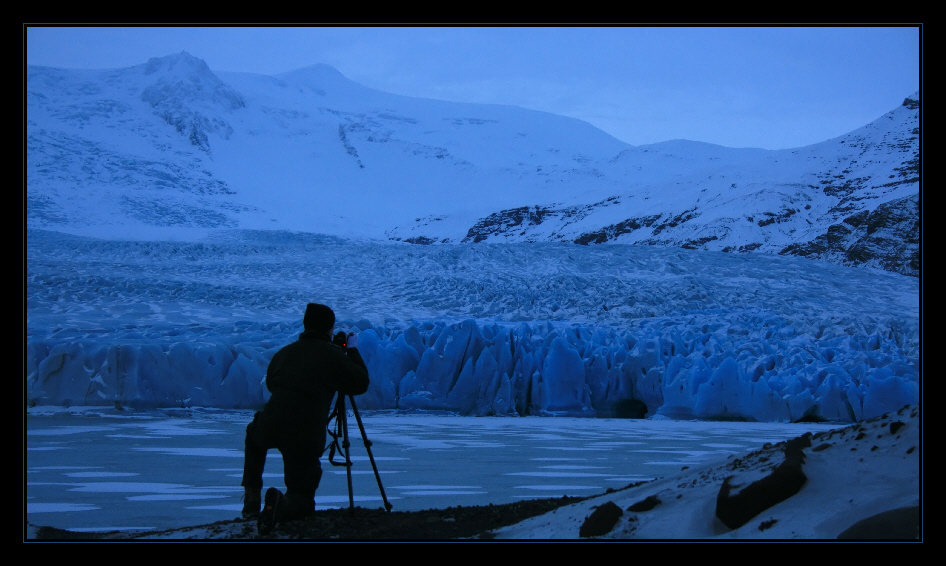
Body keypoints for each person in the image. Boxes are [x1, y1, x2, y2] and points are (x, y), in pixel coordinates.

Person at [240, 303, 369, 531]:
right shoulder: (332, 355)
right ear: (329, 328)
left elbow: (271, 384)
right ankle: (282, 503)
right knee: (302, 498)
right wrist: (352, 350)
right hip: (305, 433)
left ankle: (251, 498)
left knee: (254, 436)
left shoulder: (284, 354)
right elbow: (360, 383)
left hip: (272, 422)